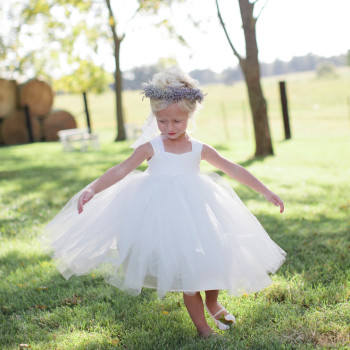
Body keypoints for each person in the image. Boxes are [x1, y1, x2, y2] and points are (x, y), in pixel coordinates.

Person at [42, 68, 286, 339]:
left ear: (190, 115)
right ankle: (203, 328)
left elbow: (233, 169)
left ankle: (213, 302)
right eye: (162, 121)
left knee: (213, 258)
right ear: (154, 117)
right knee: (189, 274)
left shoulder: (199, 148)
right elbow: (121, 170)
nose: (169, 128)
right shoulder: (151, 147)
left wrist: (266, 191)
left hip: (197, 214)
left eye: (177, 121)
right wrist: (92, 188)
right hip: (165, 220)